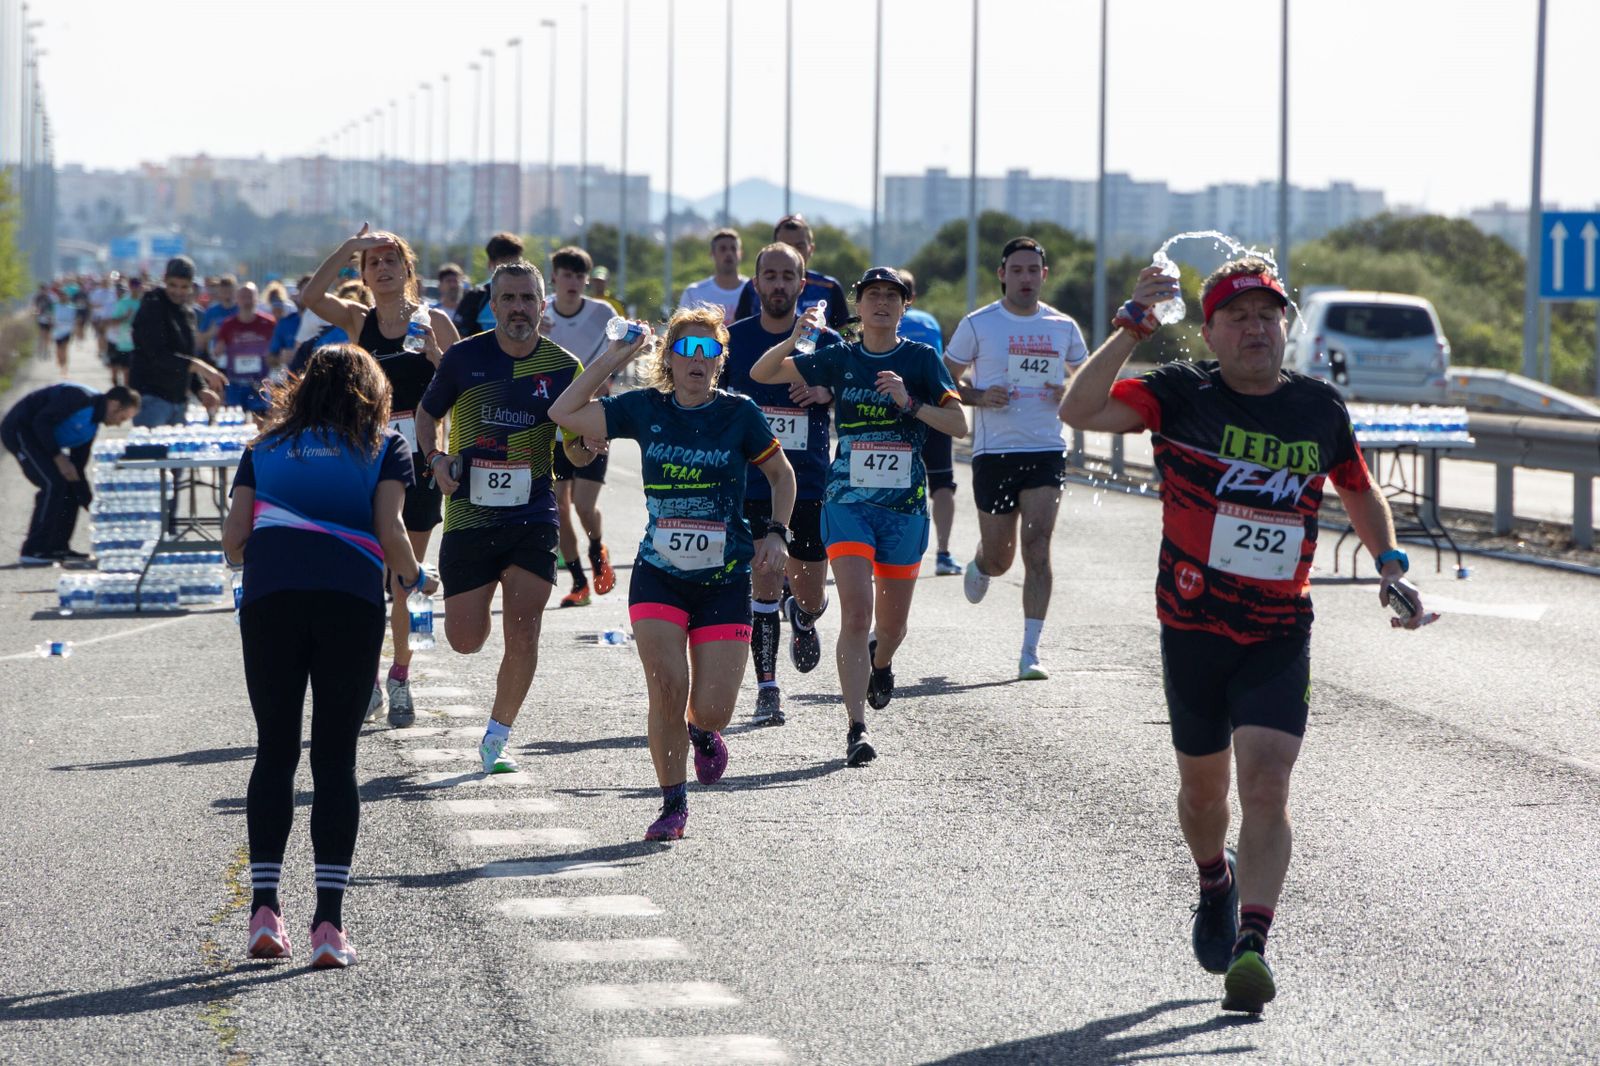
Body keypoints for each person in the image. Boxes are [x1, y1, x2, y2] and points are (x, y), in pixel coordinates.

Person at [1059, 256, 1440, 1015]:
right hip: (1193, 626)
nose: (1255, 329)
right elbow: (1080, 409)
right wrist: (1132, 327)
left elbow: (1358, 488)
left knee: (1267, 783)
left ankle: (1252, 947)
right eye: (1237, 317)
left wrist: (1390, 564)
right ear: (1210, 333)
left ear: (1285, 326)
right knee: (1204, 795)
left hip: (1277, 628)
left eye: (1268, 315)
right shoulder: (1179, 394)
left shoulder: (1317, 408)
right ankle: (1214, 879)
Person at [221, 343, 436, 970]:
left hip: (271, 602)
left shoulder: (263, 447)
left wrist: (275, 547)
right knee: (335, 759)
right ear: (373, 391)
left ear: (303, 388)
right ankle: (328, 925)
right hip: (348, 602)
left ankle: (265, 910)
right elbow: (391, 532)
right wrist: (418, 578)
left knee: (275, 750)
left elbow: (234, 540)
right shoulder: (383, 445)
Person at [551, 305, 794, 841]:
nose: (697, 359)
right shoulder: (645, 407)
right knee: (666, 685)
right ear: (669, 358)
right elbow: (564, 412)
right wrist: (616, 356)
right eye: (686, 348)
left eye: (709, 350)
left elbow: (782, 475)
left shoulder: (740, 413)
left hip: (724, 578)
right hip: (659, 574)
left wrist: (778, 533)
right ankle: (672, 804)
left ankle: (702, 733)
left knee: (713, 709)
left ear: (720, 360)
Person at [751, 267, 966, 766]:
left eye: (892, 296)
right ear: (860, 306)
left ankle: (881, 661)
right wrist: (796, 337)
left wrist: (910, 402)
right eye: (873, 296)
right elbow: (763, 373)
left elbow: (958, 423)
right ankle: (856, 728)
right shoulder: (841, 357)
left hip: (903, 509)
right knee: (855, 613)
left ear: (904, 307)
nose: (882, 303)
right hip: (847, 501)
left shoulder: (920, 358)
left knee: (892, 629)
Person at [416, 261, 593, 775]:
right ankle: (479, 601)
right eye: (509, 299)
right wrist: (435, 458)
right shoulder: (464, 358)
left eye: (527, 299)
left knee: (525, 629)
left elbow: (574, 451)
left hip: (532, 514)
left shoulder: (564, 368)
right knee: (465, 640)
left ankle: (498, 736)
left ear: (543, 305)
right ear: (492, 306)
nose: (519, 308)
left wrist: (586, 446)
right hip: (470, 515)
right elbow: (427, 414)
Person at [302, 225, 460, 727]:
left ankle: (400, 677)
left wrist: (436, 357)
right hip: (369, 458)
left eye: (392, 260)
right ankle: (369, 681)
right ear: (365, 275)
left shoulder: (434, 320)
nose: (384, 268)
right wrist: (348, 248)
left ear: (407, 270)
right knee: (368, 575)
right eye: (374, 263)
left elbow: (464, 387)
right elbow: (310, 298)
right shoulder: (358, 320)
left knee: (405, 578)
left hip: (422, 460)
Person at [946, 237, 1088, 681]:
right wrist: (978, 396)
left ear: (1044, 275)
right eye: (1017, 270)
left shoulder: (1063, 326)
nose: (1026, 278)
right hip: (995, 453)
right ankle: (981, 561)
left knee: (1038, 546)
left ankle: (1030, 652)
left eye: (1033, 270)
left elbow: (1087, 378)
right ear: (1002, 274)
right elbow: (942, 381)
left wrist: (1070, 390)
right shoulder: (979, 324)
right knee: (1001, 559)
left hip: (1046, 449)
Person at [722, 242, 839, 726]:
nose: (778, 284)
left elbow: (854, 393)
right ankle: (767, 689)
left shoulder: (827, 342)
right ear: (755, 283)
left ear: (802, 284)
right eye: (769, 275)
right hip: (751, 482)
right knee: (764, 578)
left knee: (809, 593)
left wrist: (827, 392)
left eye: (787, 276)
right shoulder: (734, 339)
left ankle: (805, 616)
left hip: (807, 483)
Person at [539, 245, 618, 607]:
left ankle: (597, 550)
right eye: (566, 275)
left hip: (592, 421)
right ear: (554, 278)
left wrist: (604, 381)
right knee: (559, 506)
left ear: (587, 280)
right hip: (553, 427)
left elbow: (617, 358)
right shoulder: (540, 314)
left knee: (584, 506)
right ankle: (578, 581)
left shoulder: (603, 314)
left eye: (579, 276)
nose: (572, 282)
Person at [2, 382, 141, 565]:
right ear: (114, 404)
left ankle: (58, 548)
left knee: (70, 487)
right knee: (53, 484)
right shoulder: (79, 398)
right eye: (122, 418)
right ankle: (33, 550)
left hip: (41, 438)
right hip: (20, 429)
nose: (119, 424)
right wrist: (58, 457)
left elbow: (77, 471)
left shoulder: (91, 427)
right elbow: (41, 422)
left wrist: (92, 505)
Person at [896, 268, 961, 577]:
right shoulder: (929, 321)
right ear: (914, 295)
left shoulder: (880, 322)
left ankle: (891, 552)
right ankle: (944, 554)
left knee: (894, 483)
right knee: (942, 483)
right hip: (933, 408)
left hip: (897, 410)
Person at [129, 256, 227, 428]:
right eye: (173, 285)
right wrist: (200, 367)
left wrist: (201, 389)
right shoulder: (152, 306)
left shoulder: (187, 313)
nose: (178, 292)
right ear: (165, 280)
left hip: (179, 401)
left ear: (191, 286)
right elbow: (158, 355)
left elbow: (186, 358)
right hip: (152, 398)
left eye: (184, 287)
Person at [732, 215, 849, 328]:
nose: (793, 252)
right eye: (786, 246)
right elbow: (738, 330)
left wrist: (842, 336)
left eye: (800, 246)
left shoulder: (829, 287)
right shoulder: (752, 288)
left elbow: (845, 331)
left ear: (811, 249)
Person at [214, 282, 277, 418]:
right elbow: (217, 351)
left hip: (259, 383)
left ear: (257, 299)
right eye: (243, 297)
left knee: (261, 422)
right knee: (233, 423)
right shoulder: (228, 324)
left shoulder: (269, 323)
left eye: (250, 296)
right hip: (235, 383)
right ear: (237, 299)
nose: (247, 301)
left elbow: (277, 350)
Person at [451, 231, 525, 335]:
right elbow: (459, 337)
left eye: (516, 264)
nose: (511, 270)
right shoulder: (476, 297)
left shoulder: (532, 296)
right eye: (504, 264)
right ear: (491, 264)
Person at [679, 228, 747, 322]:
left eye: (733, 248)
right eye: (723, 249)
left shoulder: (754, 290)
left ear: (740, 254)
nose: (729, 253)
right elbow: (681, 329)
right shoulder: (693, 293)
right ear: (712, 254)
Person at [104, 277, 143, 389]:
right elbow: (112, 322)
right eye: (133, 286)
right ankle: (119, 390)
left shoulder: (143, 303)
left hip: (138, 344)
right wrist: (125, 317)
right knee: (120, 372)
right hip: (123, 343)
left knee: (130, 374)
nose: (135, 288)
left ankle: (127, 393)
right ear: (130, 287)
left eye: (137, 286)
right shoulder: (123, 303)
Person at [198, 274, 239, 356]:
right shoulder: (212, 311)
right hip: (217, 356)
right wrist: (211, 333)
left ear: (235, 291)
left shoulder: (241, 309)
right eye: (224, 292)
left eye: (230, 291)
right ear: (219, 292)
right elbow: (200, 339)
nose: (227, 295)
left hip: (238, 355)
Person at [33, 283, 54, 360]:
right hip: (41, 318)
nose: (43, 291)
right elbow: (35, 307)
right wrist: (36, 313)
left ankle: (46, 350)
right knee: (41, 335)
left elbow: (53, 308)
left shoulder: (50, 298)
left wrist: (51, 317)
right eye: (41, 290)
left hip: (48, 319)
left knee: (47, 336)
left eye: (44, 289)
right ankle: (40, 351)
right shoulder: (37, 297)